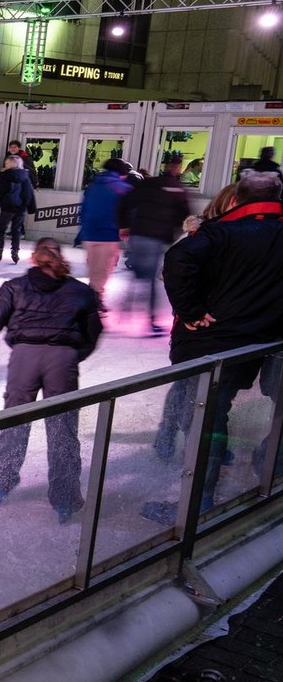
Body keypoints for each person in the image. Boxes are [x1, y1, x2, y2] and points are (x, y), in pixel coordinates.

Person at [146, 174, 283, 524]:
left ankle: (197, 504)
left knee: (206, 421)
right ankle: (267, 471)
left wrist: (191, 312)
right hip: (265, 344)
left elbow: (177, 263)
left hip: (215, 344)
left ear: (237, 198)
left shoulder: (221, 232)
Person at [0, 238, 103, 525]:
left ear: (34, 259)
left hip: (24, 359)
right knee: (63, 430)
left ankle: (3, 481)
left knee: (15, 421)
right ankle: (65, 499)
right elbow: (93, 333)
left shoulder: (15, 287)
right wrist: (69, 356)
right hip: (62, 362)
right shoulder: (81, 292)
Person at [115, 153, 192, 335]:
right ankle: (150, 321)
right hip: (153, 237)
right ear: (177, 168)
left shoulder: (150, 183)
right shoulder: (177, 188)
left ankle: (124, 314)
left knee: (137, 275)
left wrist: (124, 225)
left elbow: (126, 201)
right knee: (148, 278)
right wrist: (174, 234)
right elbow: (185, 215)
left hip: (140, 234)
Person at [77, 157, 133, 306]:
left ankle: (93, 296)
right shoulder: (123, 188)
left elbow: (83, 210)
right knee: (102, 270)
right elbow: (129, 213)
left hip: (89, 233)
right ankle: (95, 300)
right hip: (108, 235)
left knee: (93, 268)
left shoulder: (92, 185)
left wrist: (83, 228)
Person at [0, 154, 38, 264]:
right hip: (20, 209)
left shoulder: (5, 176)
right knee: (16, 231)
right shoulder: (25, 177)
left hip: (7, 207)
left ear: (9, 165)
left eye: (6, 164)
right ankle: (15, 252)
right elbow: (29, 193)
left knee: (1, 230)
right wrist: (31, 208)